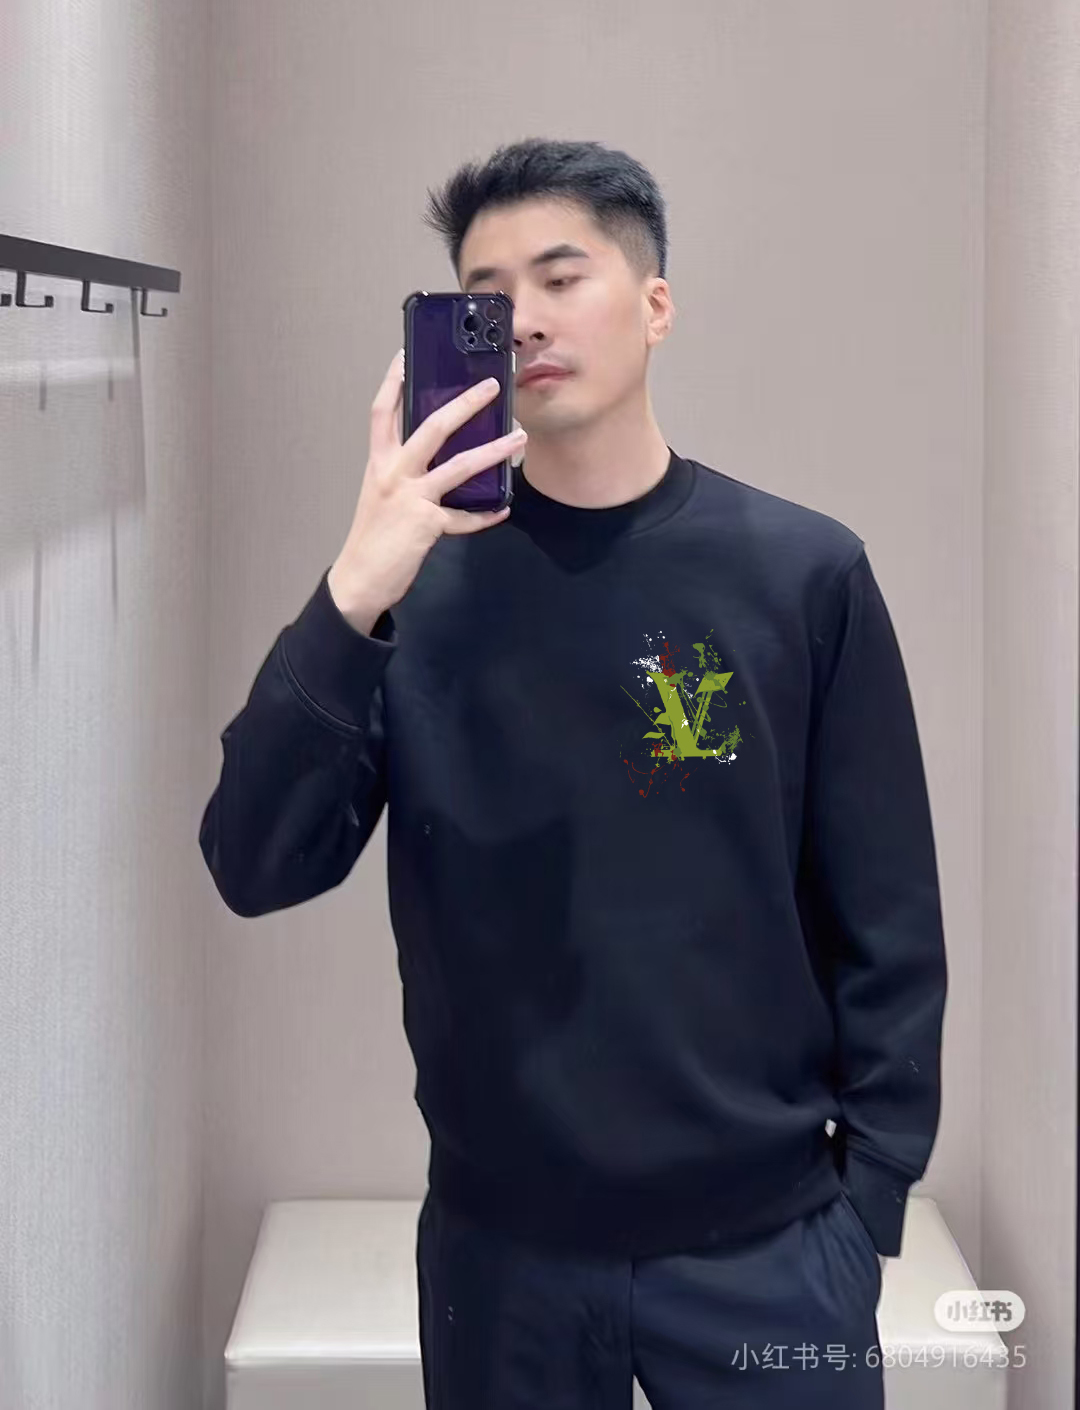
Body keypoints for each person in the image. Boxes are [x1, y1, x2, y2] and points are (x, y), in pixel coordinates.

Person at [199, 137, 948, 1407]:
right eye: (487, 297)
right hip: (504, 1258)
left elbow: (887, 913)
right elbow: (254, 862)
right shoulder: (416, 594)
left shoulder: (801, 574)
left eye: (561, 278)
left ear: (655, 305)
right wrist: (358, 584)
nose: (527, 322)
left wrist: (867, 1200)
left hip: (770, 1249)